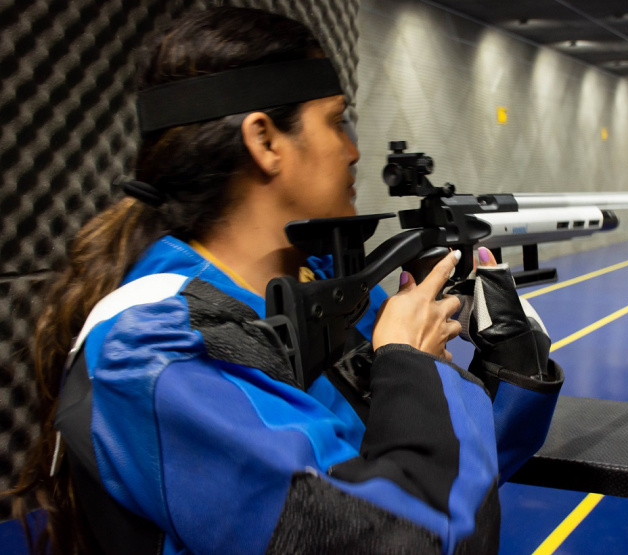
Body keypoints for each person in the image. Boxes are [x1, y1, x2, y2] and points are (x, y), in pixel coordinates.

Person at [7, 7, 562, 554]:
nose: (353, 150)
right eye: (337, 121)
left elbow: (438, 475)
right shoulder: (155, 354)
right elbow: (411, 537)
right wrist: (411, 365)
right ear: (265, 140)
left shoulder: (326, 295)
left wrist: (512, 366)